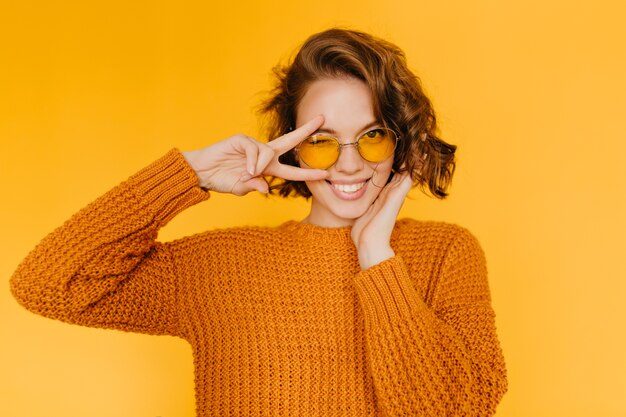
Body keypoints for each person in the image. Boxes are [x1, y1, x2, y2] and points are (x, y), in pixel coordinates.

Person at [10, 28, 508, 416]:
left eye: (372, 134)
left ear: (399, 138)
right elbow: (50, 283)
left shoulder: (447, 254)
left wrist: (376, 257)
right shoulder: (224, 268)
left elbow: (456, 409)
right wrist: (188, 174)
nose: (350, 165)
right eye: (322, 140)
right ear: (290, 141)